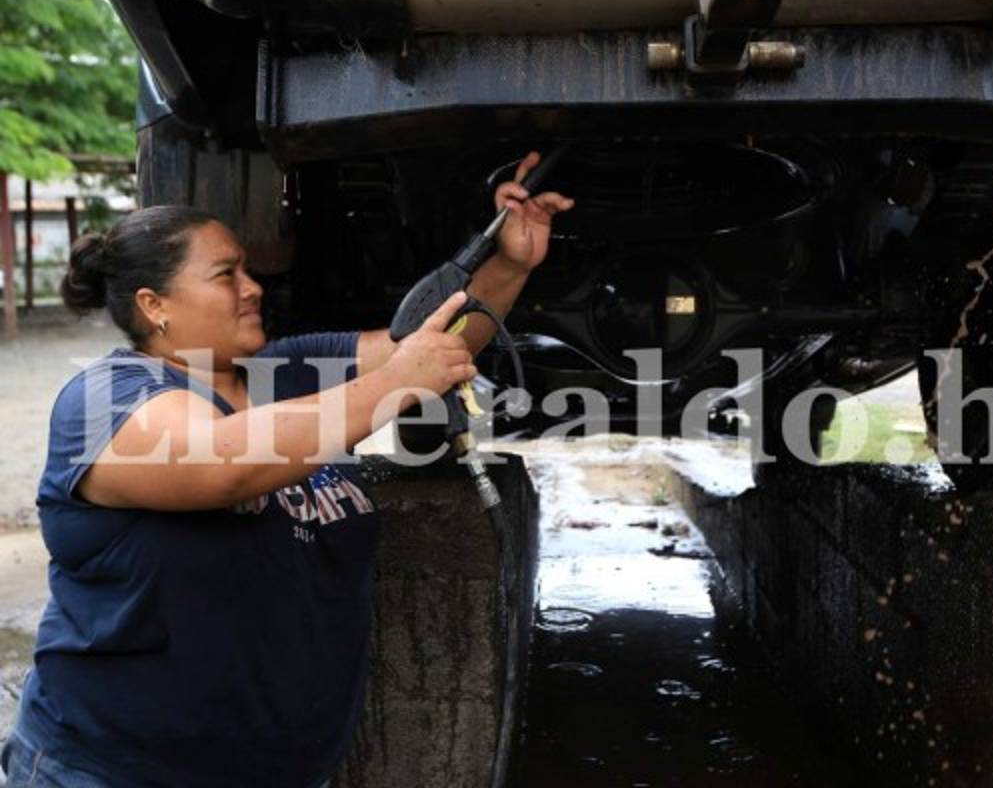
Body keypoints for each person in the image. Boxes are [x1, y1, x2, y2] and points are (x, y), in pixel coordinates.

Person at [0, 152, 573, 787]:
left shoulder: (288, 371)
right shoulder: (106, 397)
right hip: (111, 773)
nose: (253, 287)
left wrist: (508, 264)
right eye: (226, 274)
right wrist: (391, 384)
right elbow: (224, 462)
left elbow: (430, 344)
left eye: (247, 270)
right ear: (154, 304)